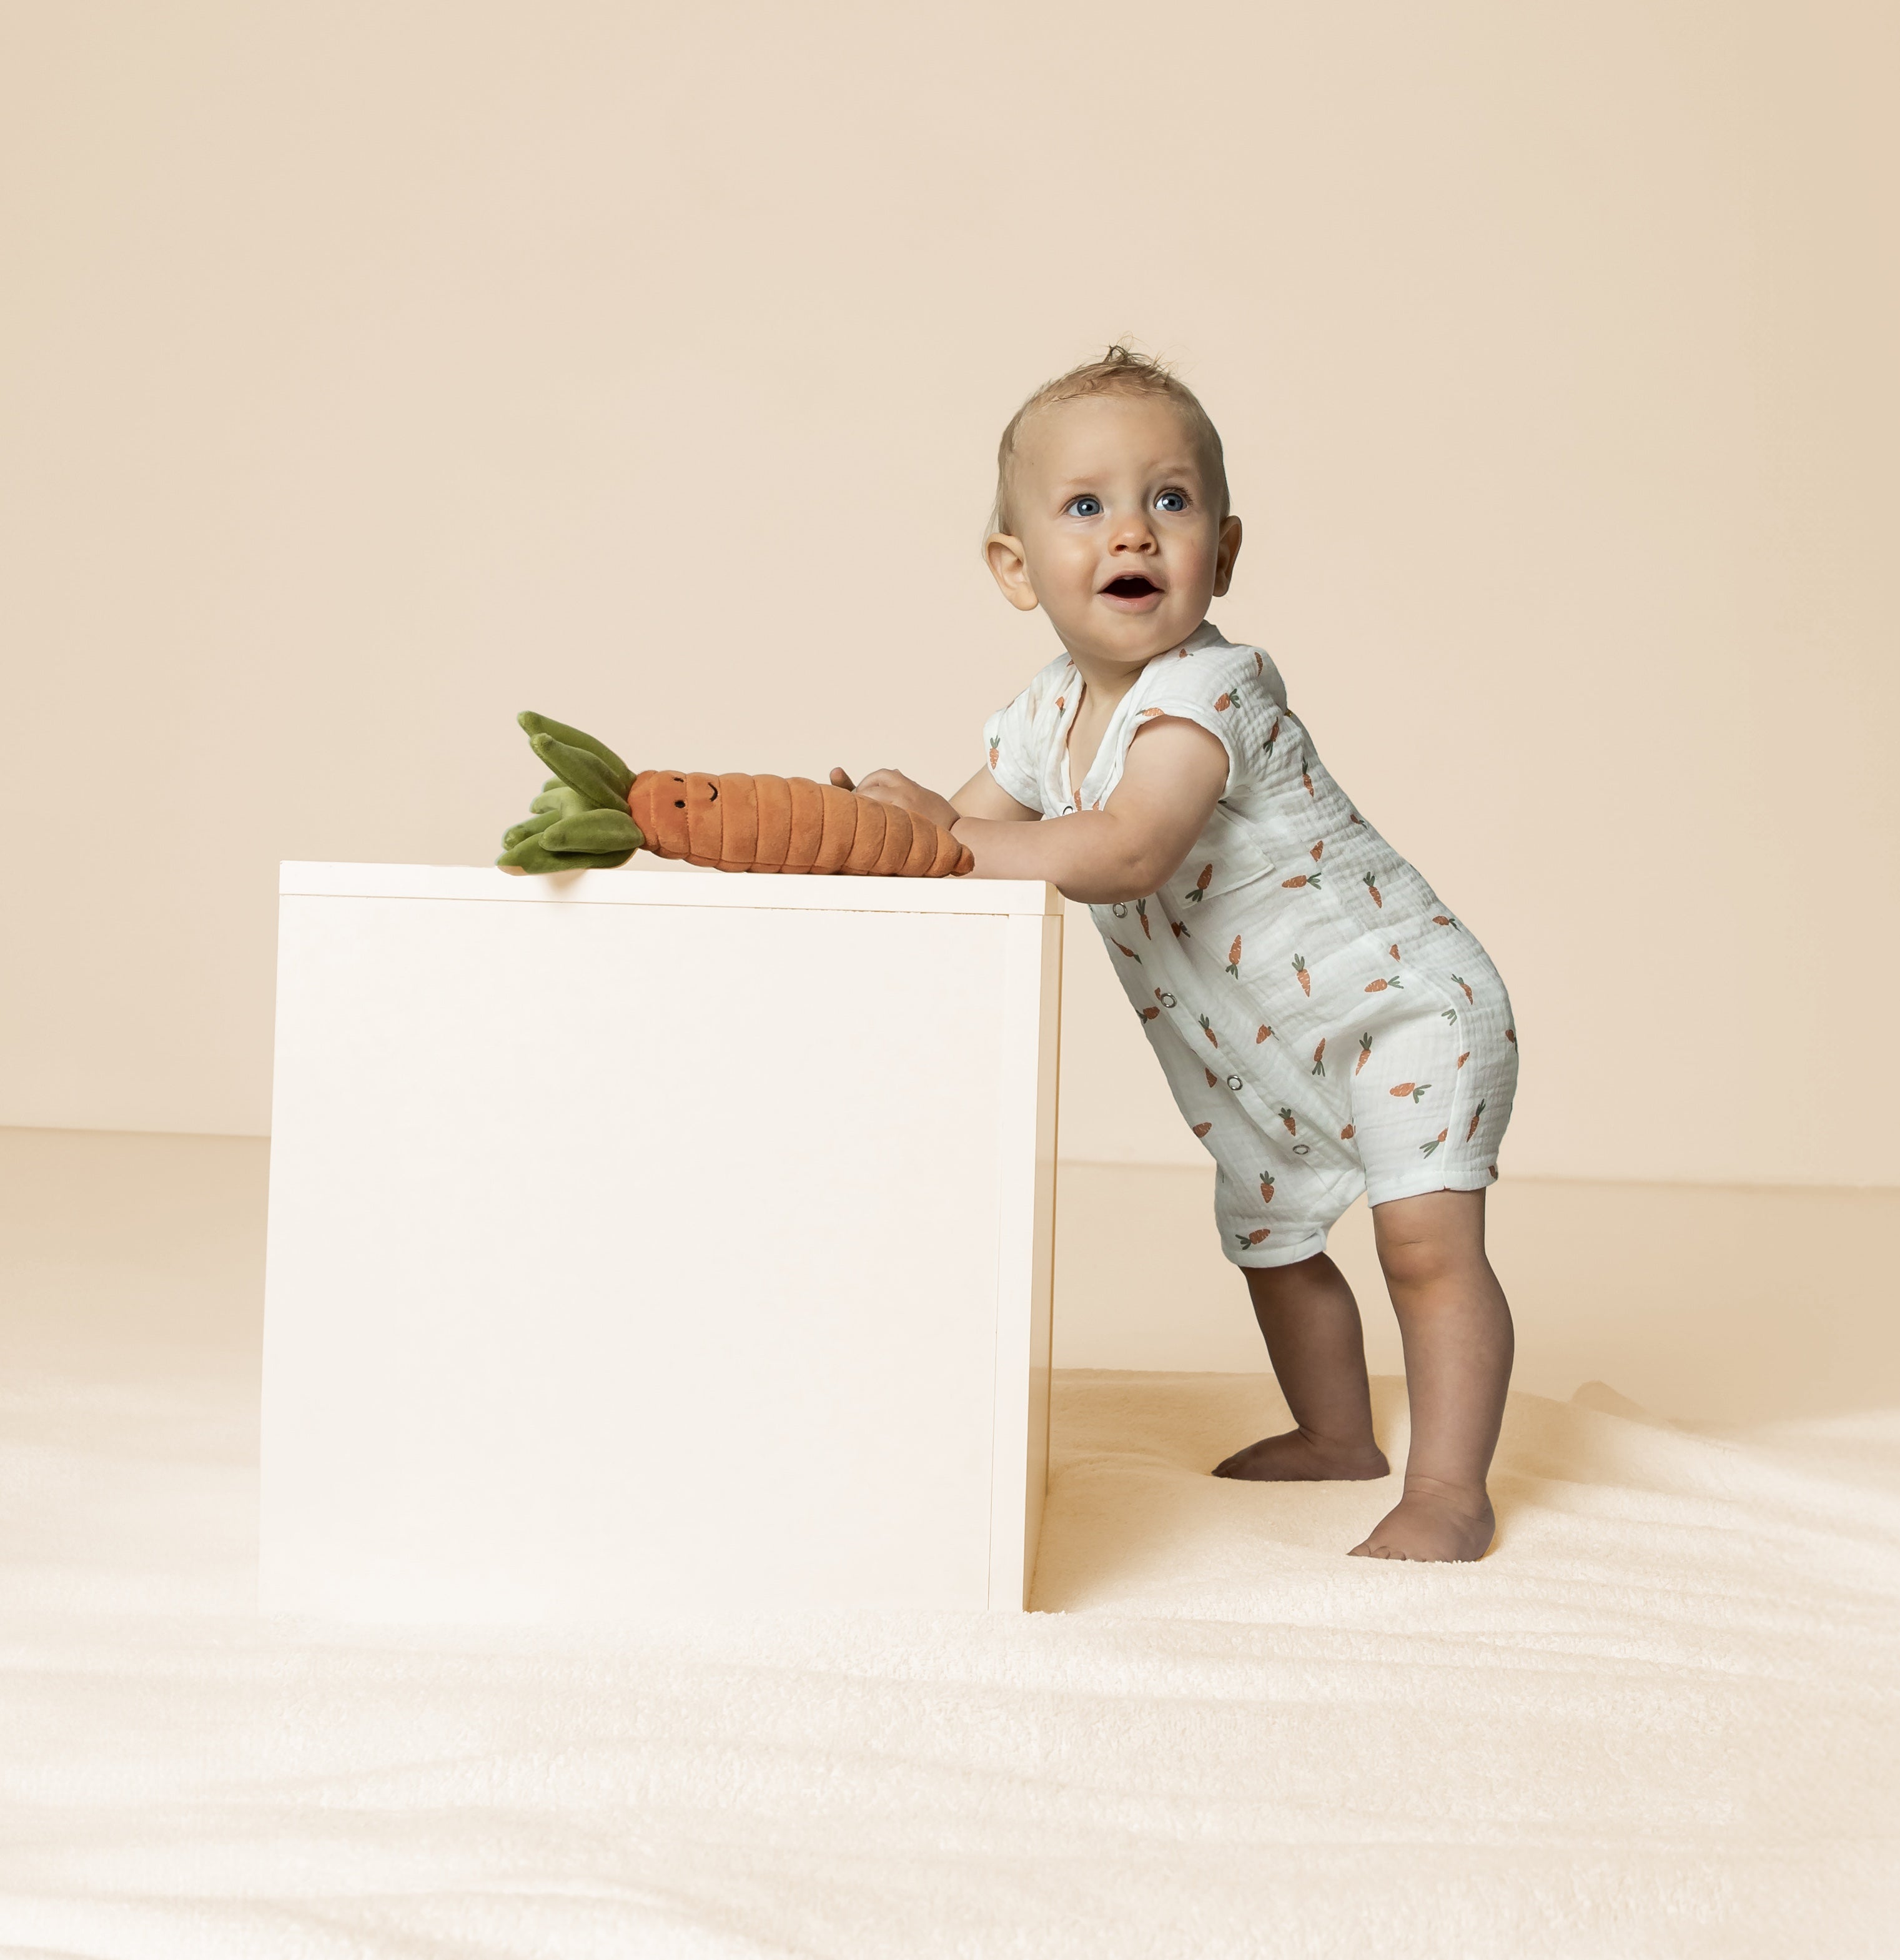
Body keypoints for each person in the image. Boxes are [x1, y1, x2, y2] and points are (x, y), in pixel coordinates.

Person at [833, 347, 1519, 1562]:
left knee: (1423, 1248)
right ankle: (1336, 1436)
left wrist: (945, 837)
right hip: (1251, 1048)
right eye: (1084, 506)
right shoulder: (1044, 715)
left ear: (1225, 551)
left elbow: (1127, 848)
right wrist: (868, 837)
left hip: (1399, 1008)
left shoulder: (1211, 689)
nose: (1132, 533)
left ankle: (1449, 1491)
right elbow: (959, 845)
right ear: (1015, 566)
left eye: (1170, 500)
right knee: (1273, 1240)